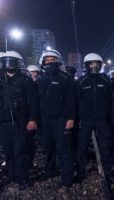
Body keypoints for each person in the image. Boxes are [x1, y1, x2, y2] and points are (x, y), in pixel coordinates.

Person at [36, 49, 75, 194]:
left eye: (53, 60)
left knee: (63, 149)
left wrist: (71, 118)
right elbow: (36, 101)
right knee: (48, 148)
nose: (50, 62)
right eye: (47, 60)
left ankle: (67, 178)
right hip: (45, 121)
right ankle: (50, 170)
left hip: (61, 120)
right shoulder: (40, 79)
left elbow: (71, 100)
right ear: (43, 62)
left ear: (58, 61)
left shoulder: (65, 78)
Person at [0, 51, 38, 190]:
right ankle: (12, 175)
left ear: (18, 63)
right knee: (8, 151)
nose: (9, 64)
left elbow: (34, 102)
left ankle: (23, 178)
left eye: (12, 61)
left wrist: (32, 119)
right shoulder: (1, 79)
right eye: (6, 61)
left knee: (20, 151)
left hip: (20, 121)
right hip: (3, 122)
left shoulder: (25, 80)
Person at [75, 53, 114, 183]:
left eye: (96, 63)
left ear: (100, 65)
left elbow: (110, 100)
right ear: (86, 65)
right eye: (91, 64)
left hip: (102, 119)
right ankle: (81, 171)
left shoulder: (105, 80)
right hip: (86, 120)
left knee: (105, 146)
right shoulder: (81, 81)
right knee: (82, 146)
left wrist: (110, 116)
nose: (94, 66)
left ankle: (108, 171)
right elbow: (75, 101)